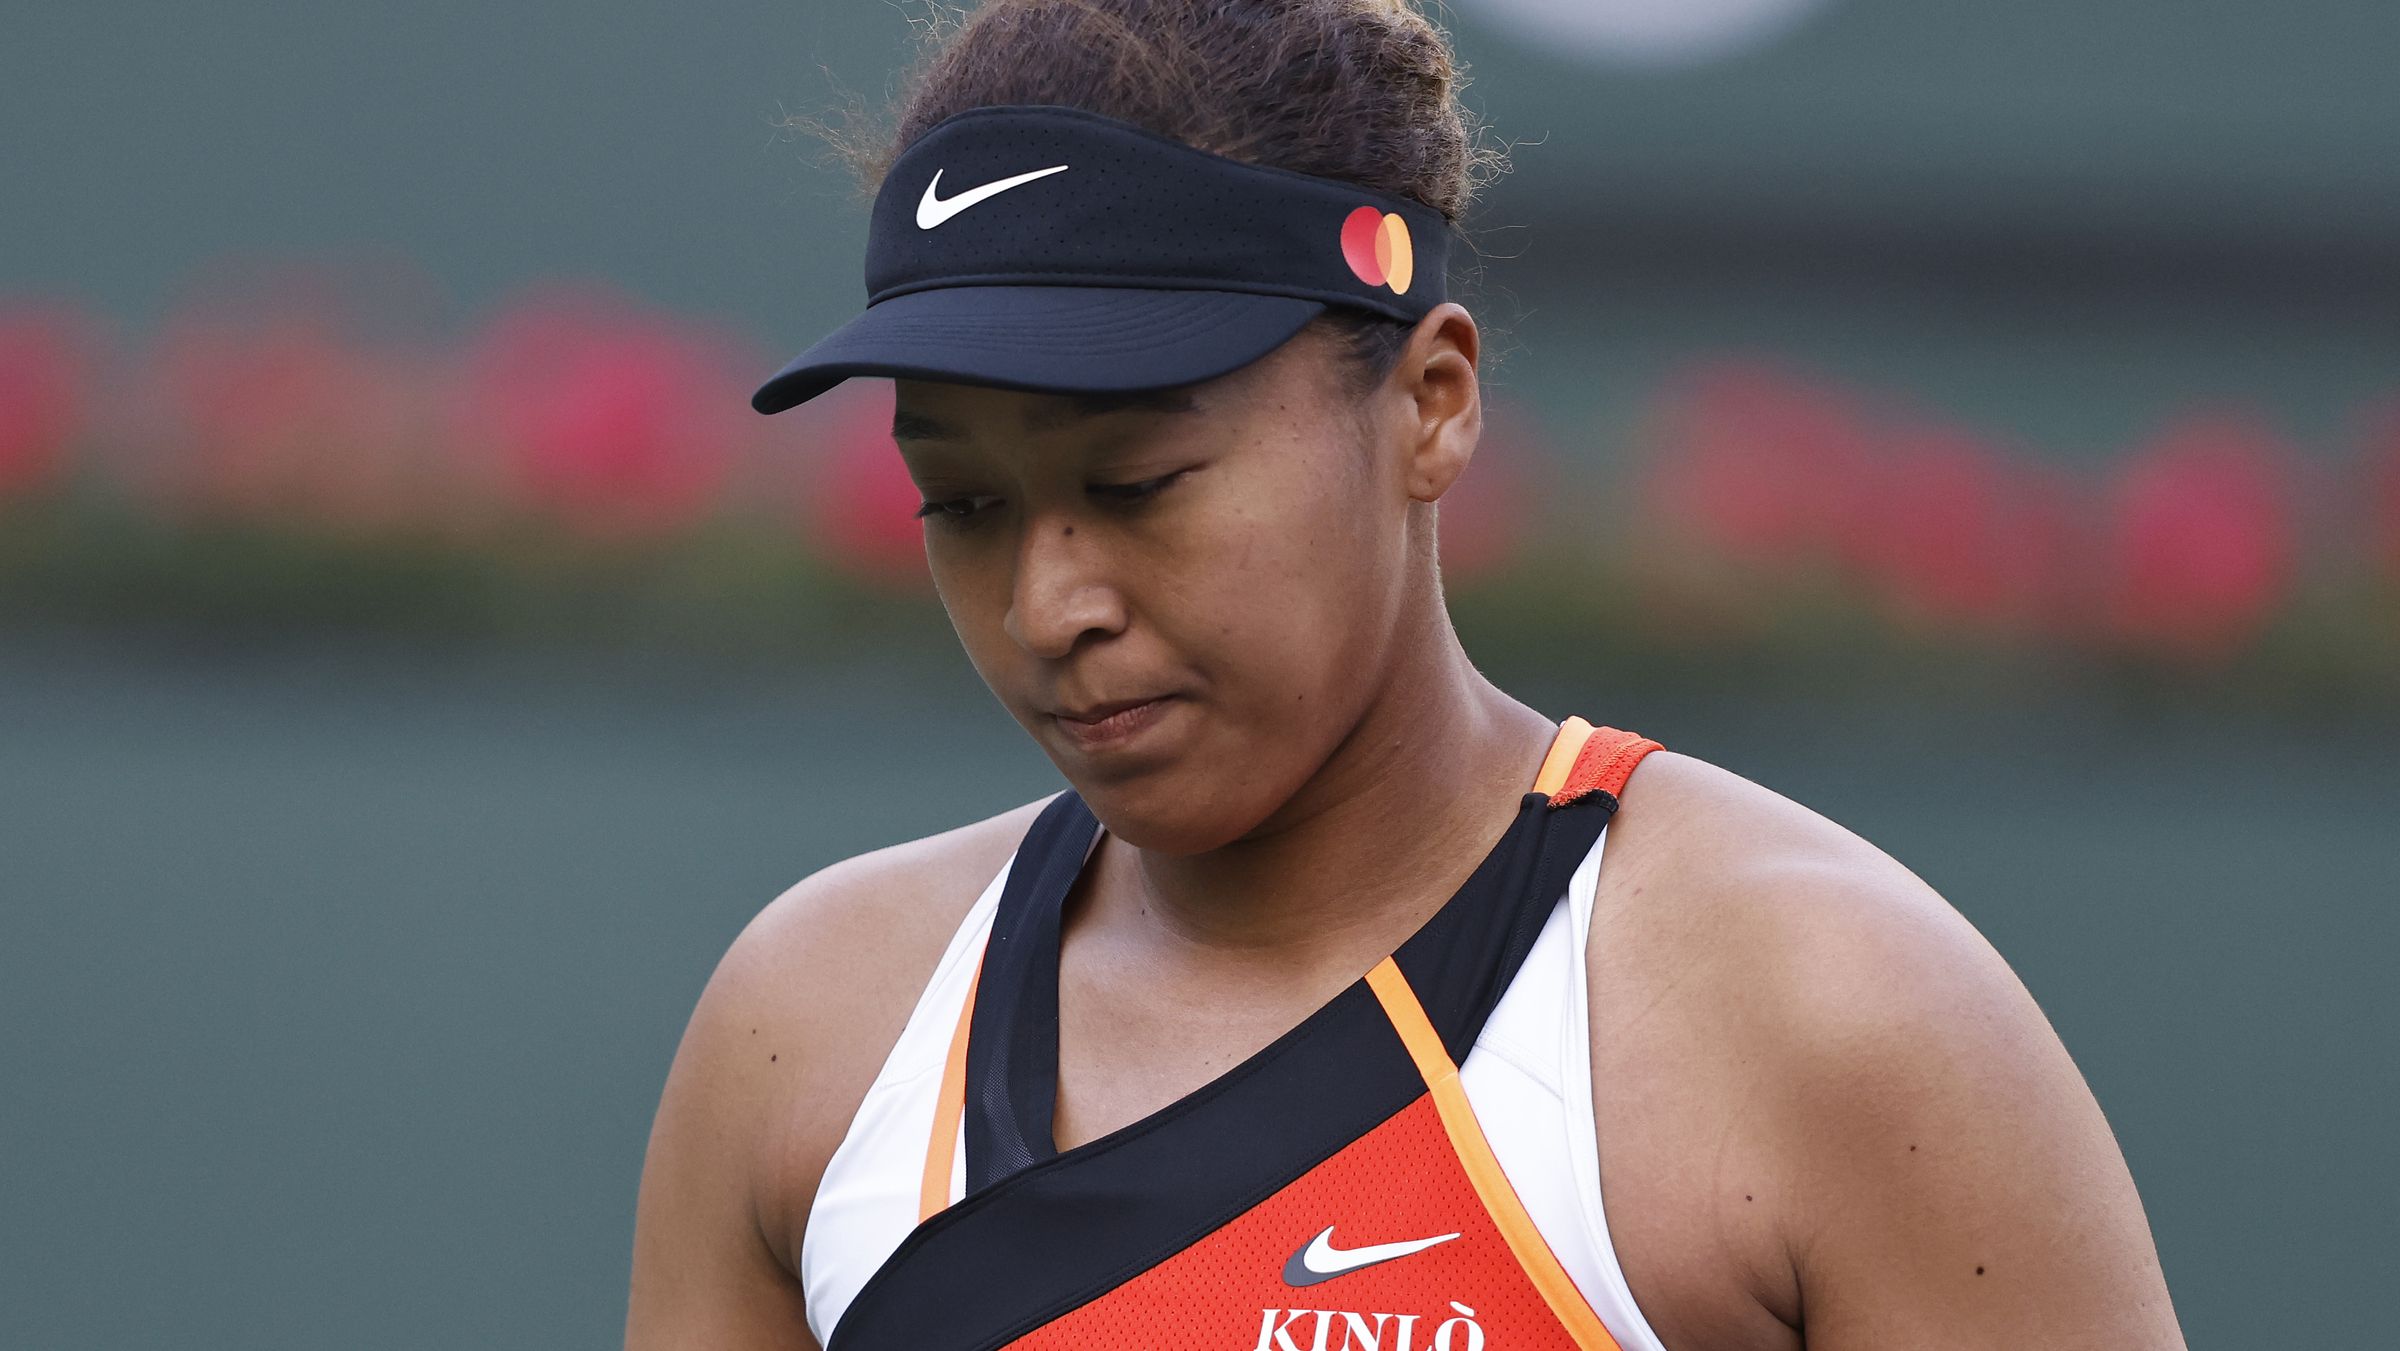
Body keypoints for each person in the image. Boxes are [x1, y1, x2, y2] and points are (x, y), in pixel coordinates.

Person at [627, 4, 2187, 1348]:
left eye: (1141, 480)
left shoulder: (1838, 1019)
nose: (1049, 604)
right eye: (961, 504)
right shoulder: (811, 1029)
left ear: (1432, 399)